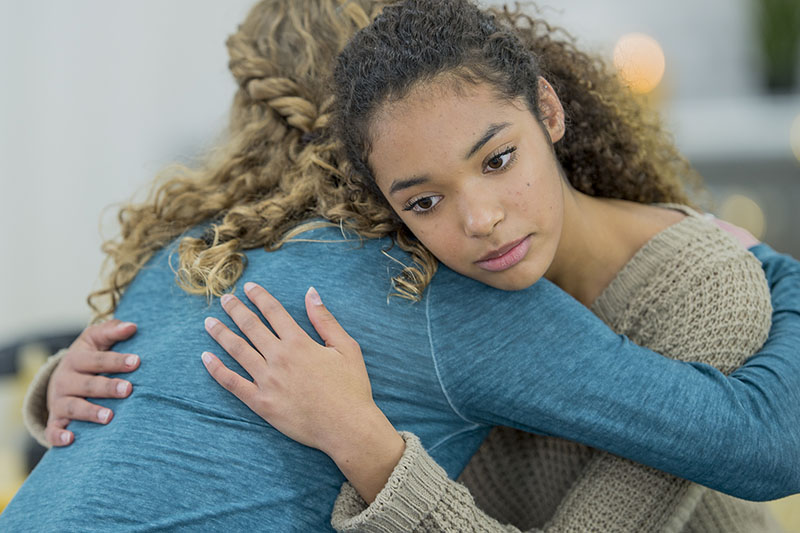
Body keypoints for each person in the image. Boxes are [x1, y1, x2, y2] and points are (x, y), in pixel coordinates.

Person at [5, 0, 800, 531]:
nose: (480, 220)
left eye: (495, 158)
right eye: (420, 199)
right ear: (365, 156)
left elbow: (762, 446)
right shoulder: (411, 278)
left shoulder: (204, 249)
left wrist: (365, 444)